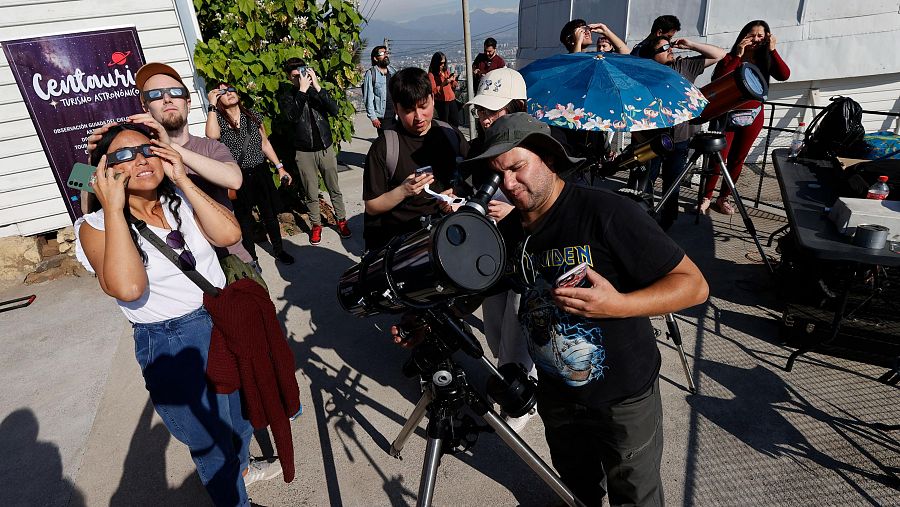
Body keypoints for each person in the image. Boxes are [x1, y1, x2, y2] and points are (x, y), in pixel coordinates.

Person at [463, 113, 709, 506]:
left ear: (548, 158)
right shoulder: (509, 233)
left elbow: (694, 285)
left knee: (636, 496)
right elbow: (478, 287)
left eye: (517, 167)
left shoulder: (606, 213)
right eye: (498, 174)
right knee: (576, 489)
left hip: (623, 401)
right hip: (557, 398)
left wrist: (620, 304)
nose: (508, 184)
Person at [74, 123, 269, 506]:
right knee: (211, 440)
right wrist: (113, 207)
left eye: (147, 149)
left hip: (220, 317)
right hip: (171, 338)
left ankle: (242, 469)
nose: (141, 159)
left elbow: (229, 236)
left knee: (241, 414)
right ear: (104, 171)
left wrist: (182, 175)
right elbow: (130, 289)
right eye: (124, 156)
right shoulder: (94, 227)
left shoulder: (180, 196)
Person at [462, 66, 536, 431]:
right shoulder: (480, 147)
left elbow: (552, 204)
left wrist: (515, 210)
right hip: (491, 258)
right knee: (494, 328)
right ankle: (507, 378)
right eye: (481, 109)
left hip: (524, 259)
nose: (486, 117)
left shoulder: (536, 147)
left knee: (518, 330)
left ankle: (520, 399)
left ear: (518, 108)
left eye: (495, 110)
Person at [362, 67, 468, 251]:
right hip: (399, 245)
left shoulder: (450, 135)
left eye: (423, 106)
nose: (418, 117)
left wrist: (455, 197)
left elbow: (470, 177)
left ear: (433, 99)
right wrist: (403, 191)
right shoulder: (385, 147)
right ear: (396, 108)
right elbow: (372, 206)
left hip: (444, 237)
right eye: (409, 110)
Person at [635, 35, 725, 230]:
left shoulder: (684, 66)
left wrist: (691, 45)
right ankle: (646, 216)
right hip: (654, 138)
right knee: (647, 178)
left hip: (680, 138)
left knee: (673, 180)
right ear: (652, 57)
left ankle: (668, 218)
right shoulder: (646, 74)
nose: (669, 49)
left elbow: (720, 54)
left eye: (669, 46)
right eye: (662, 48)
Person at [701, 20, 790, 215]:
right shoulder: (732, 56)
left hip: (753, 115)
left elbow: (784, 75)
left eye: (761, 35)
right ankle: (706, 197)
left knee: (737, 159)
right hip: (727, 115)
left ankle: (723, 198)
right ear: (743, 36)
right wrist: (737, 55)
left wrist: (773, 51)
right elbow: (719, 78)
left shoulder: (766, 58)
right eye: (752, 35)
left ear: (767, 37)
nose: (756, 39)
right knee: (719, 158)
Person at [206, 82, 296, 265]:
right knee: (244, 219)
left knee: (269, 215)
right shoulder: (219, 121)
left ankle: (279, 250)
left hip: (260, 172)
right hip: (237, 176)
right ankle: (252, 259)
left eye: (231, 89)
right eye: (223, 92)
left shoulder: (253, 115)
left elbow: (264, 143)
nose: (229, 93)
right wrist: (211, 106)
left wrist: (280, 167)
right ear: (218, 98)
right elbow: (211, 135)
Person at [277, 57, 351, 245]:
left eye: (302, 73)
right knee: (311, 191)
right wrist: (301, 91)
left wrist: (316, 86)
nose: (299, 78)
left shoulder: (316, 92)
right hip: (304, 152)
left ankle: (341, 220)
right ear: (289, 77)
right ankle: (316, 225)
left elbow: (334, 110)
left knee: (334, 188)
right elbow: (292, 117)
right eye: (295, 76)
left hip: (325, 147)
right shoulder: (287, 96)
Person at [361, 45, 396, 131]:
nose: (385, 55)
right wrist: (373, 117)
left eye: (386, 53)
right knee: (387, 141)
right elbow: (368, 97)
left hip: (396, 115)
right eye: (382, 53)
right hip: (382, 117)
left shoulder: (392, 71)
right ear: (375, 58)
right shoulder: (371, 74)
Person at [558, 19, 628, 54]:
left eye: (586, 29)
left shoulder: (594, 56)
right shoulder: (563, 61)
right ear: (570, 40)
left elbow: (627, 56)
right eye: (581, 31)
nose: (587, 32)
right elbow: (576, 67)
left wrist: (606, 32)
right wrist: (578, 42)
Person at [427, 52, 460, 127]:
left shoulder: (445, 71)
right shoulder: (431, 75)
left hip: (451, 99)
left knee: (455, 122)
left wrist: (453, 81)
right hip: (442, 102)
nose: (443, 65)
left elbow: (451, 86)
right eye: (441, 63)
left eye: (444, 63)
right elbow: (433, 91)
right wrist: (443, 84)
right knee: (445, 123)